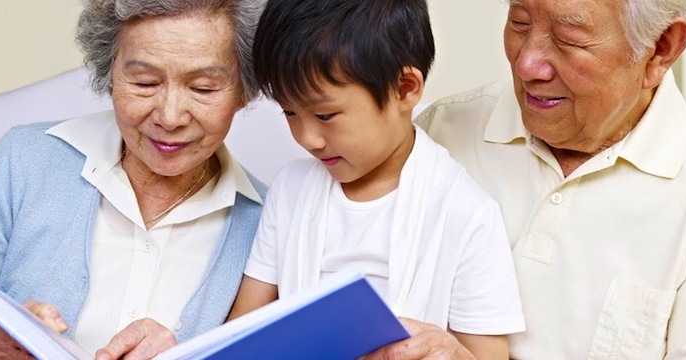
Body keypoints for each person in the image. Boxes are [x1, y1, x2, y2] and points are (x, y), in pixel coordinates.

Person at [365, 0, 686, 359]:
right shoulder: (441, 134)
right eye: (519, 22)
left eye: (568, 38)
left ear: (661, 48)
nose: (527, 64)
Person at [0, 0, 267, 359]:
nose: (170, 117)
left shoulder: (270, 222)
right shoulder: (23, 162)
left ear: (243, 92)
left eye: (203, 88)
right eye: (144, 83)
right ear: (109, 75)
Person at [225, 0, 525, 358]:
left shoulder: (467, 215)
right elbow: (242, 332)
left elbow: (485, 354)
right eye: (289, 112)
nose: (307, 138)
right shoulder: (291, 190)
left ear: (404, 88)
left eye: (324, 114)